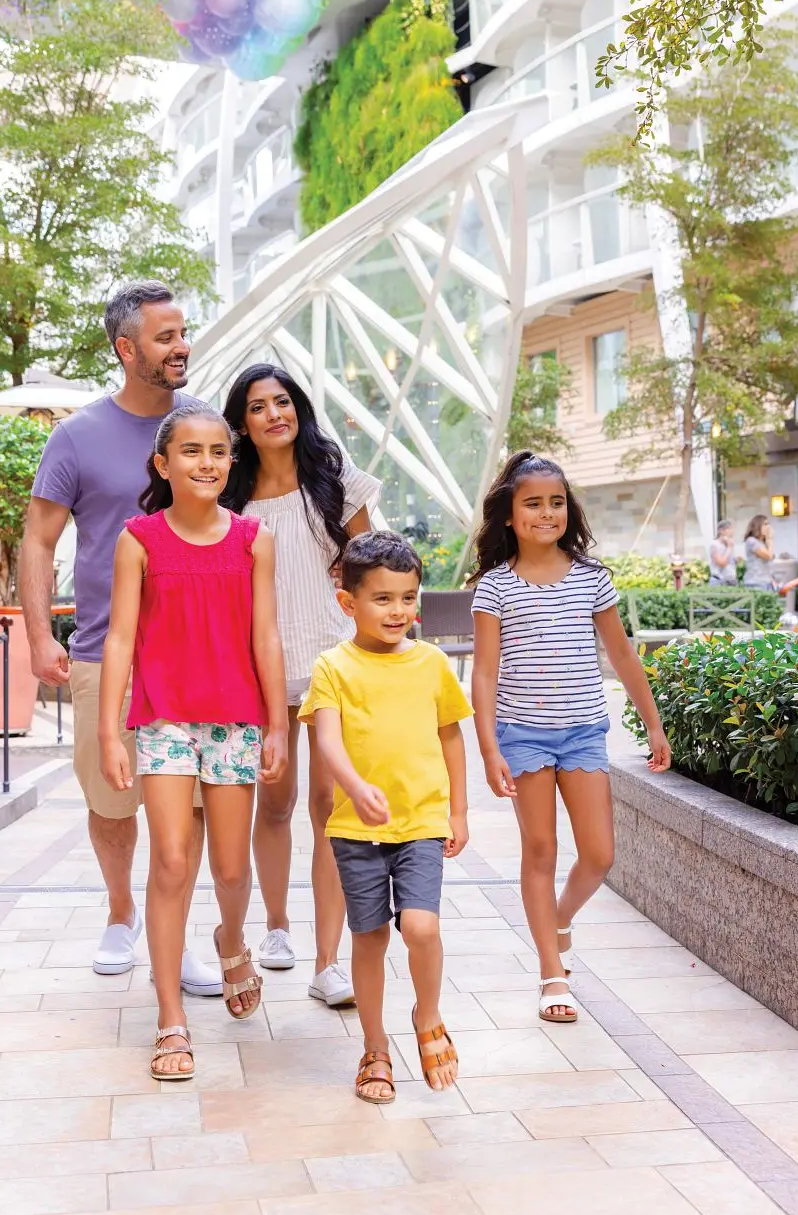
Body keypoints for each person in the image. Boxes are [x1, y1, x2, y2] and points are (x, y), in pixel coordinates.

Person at [19, 280, 219, 992]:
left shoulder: (202, 425)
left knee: (190, 805)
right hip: (105, 650)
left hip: (193, 654)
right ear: (126, 348)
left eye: (183, 333)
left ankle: (180, 931)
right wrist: (40, 635)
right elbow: (38, 540)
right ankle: (119, 910)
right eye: (165, 337)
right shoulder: (76, 436)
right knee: (111, 801)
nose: (181, 347)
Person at [98, 405, 288, 1079]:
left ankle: (231, 940)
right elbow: (119, 637)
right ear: (163, 464)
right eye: (190, 451)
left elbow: (266, 636)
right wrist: (108, 730)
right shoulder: (138, 539)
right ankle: (170, 1017)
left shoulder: (253, 540)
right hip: (164, 719)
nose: (205, 462)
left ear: (230, 463)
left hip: (235, 719)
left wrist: (277, 723)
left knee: (232, 869)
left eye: (217, 451)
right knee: (173, 861)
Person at [470, 452, 671, 1026]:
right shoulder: (495, 588)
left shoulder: (591, 579)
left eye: (556, 502)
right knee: (540, 851)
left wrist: (652, 723)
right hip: (523, 736)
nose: (547, 512)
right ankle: (551, 972)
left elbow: (624, 656)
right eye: (533, 503)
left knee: (599, 854)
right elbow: (484, 674)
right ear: (509, 514)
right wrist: (489, 749)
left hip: (584, 732)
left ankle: (556, 921)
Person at [222, 364, 380, 1008]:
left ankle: (328, 961)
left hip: (333, 667)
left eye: (282, 402)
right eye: (258, 407)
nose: (273, 414)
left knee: (329, 809)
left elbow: (373, 568)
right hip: (259, 668)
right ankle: (277, 930)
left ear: (298, 409)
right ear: (243, 423)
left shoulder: (334, 484)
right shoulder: (229, 497)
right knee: (276, 803)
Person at [299, 532, 471, 1105]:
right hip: (356, 829)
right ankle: (375, 1047)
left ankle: (427, 1013)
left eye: (407, 597)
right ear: (348, 603)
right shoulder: (333, 667)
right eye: (382, 599)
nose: (398, 611)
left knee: (421, 927)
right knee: (369, 936)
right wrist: (355, 787)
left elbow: (452, 738)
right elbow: (327, 740)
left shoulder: (431, 664)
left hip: (421, 822)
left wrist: (459, 811)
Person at [743, 514, 776, 588]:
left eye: (768, 524)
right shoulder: (751, 541)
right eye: (765, 524)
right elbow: (768, 556)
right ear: (757, 526)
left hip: (767, 581)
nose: (768, 527)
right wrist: (770, 539)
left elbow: (771, 557)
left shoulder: (763, 543)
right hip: (756, 582)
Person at [709, 520, 738, 585]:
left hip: (731, 580)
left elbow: (728, 562)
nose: (732, 531)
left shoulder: (729, 544)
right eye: (729, 528)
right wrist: (729, 548)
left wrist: (735, 560)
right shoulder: (715, 545)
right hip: (719, 581)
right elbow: (721, 564)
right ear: (721, 530)